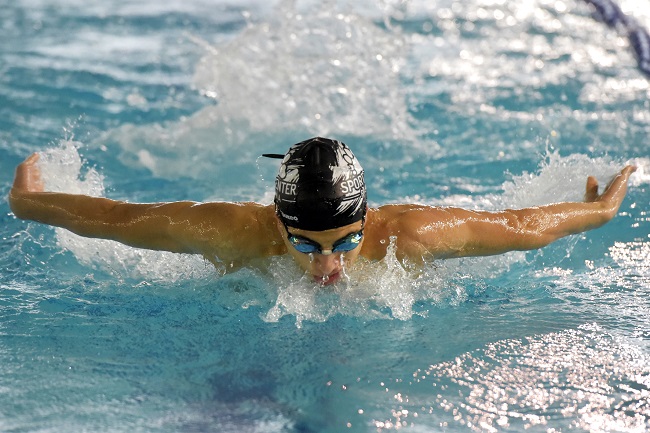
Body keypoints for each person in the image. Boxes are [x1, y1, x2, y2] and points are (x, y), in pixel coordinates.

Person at [9, 137, 636, 286]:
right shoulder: (233, 233)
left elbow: (520, 228)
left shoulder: (408, 235)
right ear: (278, 224)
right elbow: (117, 219)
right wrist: (29, 203)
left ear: (368, 221)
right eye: (306, 246)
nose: (327, 267)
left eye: (345, 242)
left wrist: (601, 213)